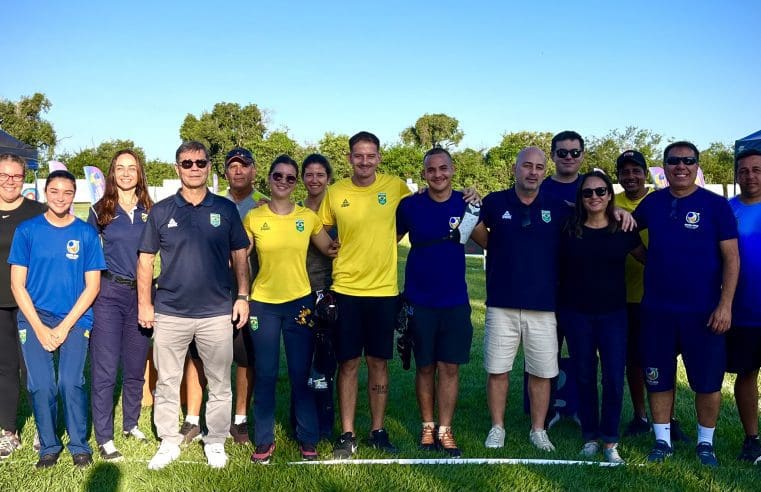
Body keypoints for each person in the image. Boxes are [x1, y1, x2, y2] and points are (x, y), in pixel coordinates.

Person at [137, 141, 250, 470]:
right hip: (170, 311)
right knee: (168, 381)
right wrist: (145, 303)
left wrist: (242, 296)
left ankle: (215, 439)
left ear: (209, 167)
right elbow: (145, 261)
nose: (194, 167)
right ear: (177, 168)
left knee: (219, 381)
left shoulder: (225, 210)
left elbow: (239, 254)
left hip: (216, 312)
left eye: (200, 162)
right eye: (187, 163)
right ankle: (169, 440)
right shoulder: (162, 211)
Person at [634, 141, 739, 467]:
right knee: (658, 377)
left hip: (704, 313)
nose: (681, 166)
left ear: (697, 166)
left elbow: (731, 258)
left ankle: (705, 444)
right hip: (657, 312)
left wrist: (725, 305)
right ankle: (662, 441)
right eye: (674, 161)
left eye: (688, 161)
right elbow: (626, 235)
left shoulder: (716, 205)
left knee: (707, 383)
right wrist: (648, 259)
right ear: (664, 167)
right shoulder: (652, 204)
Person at [317, 131, 411, 458]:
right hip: (345, 290)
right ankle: (347, 434)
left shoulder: (396, 186)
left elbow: (413, 216)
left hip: (384, 292)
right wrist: (327, 247)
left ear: (379, 157)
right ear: (349, 158)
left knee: (379, 362)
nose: (365, 161)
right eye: (359, 155)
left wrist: (388, 240)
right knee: (348, 363)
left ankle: (378, 431)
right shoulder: (336, 191)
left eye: (371, 155)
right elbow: (318, 225)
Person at [472, 146, 572, 452]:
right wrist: (499, 248)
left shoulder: (558, 206)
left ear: (545, 171)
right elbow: (473, 227)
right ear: (515, 169)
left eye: (539, 167)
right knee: (498, 369)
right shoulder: (494, 201)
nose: (532, 172)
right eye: (527, 166)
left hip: (543, 305)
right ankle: (497, 427)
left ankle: (538, 430)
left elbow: (593, 219)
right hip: (502, 302)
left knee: (542, 372)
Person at [9, 170, 106, 468]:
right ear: (45, 193)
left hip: (74, 318)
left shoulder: (86, 233)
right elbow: (17, 284)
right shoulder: (27, 231)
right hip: (34, 318)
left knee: (69, 381)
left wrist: (64, 327)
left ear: (74, 195)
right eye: (54, 191)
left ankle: (79, 444)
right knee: (40, 384)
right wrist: (39, 327)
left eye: (67, 192)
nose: (60, 197)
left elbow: (93, 286)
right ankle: (49, 445)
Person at [244, 155, 336, 464]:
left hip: (300, 304)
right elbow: (238, 254)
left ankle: (307, 438)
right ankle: (264, 440)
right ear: (268, 180)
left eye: (290, 178)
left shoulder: (307, 217)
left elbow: (331, 249)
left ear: (296, 183)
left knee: (301, 375)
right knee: (267, 374)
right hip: (263, 305)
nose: (283, 182)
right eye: (278, 176)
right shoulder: (254, 218)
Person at [182, 147, 267, 445]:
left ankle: (240, 419)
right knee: (198, 356)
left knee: (246, 357)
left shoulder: (264, 205)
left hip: (249, 293)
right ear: (225, 172)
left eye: (244, 166)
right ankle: (193, 418)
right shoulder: (214, 203)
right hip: (208, 293)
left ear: (254, 170)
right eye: (233, 167)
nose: (239, 171)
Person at [558, 171, 643, 464]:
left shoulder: (623, 228)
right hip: (576, 314)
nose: (595, 197)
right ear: (581, 198)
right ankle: (590, 437)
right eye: (588, 192)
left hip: (614, 315)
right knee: (583, 375)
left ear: (609, 194)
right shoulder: (568, 227)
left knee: (614, 378)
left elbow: (648, 257)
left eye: (601, 191)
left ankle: (610, 440)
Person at [396, 148, 474, 458]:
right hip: (419, 299)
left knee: (450, 367)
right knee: (425, 366)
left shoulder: (466, 204)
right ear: (425, 172)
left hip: (454, 301)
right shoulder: (410, 205)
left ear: (453, 170)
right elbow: (383, 238)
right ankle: (427, 426)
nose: (438, 174)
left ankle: (445, 428)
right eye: (431, 170)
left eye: (444, 168)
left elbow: (489, 240)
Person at [615, 150, 689, 443]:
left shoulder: (662, 200)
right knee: (634, 360)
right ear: (619, 175)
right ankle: (640, 415)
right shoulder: (611, 201)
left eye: (636, 171)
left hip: (660, 296)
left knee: (664, 359)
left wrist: (654, 263)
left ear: (646, 173)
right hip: (624, 296)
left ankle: (668, 418)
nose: (631, 176)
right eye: (625, 172)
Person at [88, 150, 154, 461]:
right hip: (109, 294)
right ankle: (104, 436)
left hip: (141, 296)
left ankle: (130, 423)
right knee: (104, 369)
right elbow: (87, 258)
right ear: (112, 173)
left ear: (140, 173)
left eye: (132, 168)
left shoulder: (151, 209)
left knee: (135, 364)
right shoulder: (99, 210)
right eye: (120, 168)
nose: (126, 173)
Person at [0, 153, 46, 460]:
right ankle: (8, 431)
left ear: (24, 179)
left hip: (30, 302)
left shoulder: (37, 212)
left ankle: (44, 431)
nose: (9, 181)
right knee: (5, 368)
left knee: (35, 367)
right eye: (4, 175)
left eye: (16, 176)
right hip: (0, 305)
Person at [290, 153, 337, 441]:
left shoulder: (341, 209)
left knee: (326, 360)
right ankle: (298, 419)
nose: (315, 179)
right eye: (309, 174)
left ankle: (324, 420)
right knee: (301, 360)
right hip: (299, 292)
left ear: (328, 178)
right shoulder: (293, 211)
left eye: (320, 174)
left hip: (331, 292)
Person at [726, 148, 761, 462]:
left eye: (757, 170)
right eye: (744, 171)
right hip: (744, 311)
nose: (750, 176)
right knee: (747, 373)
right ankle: (752, 439)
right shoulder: (727, 210)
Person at [541, 130, 585, 205]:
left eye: (575, 153)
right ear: (552, 156)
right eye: (562, 153)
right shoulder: (539, 190)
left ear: (582, 156)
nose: (568, 157)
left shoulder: (594, 189)